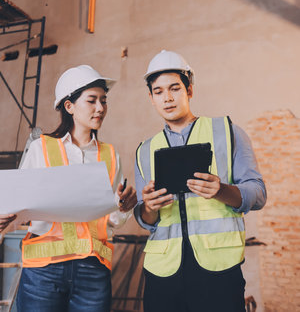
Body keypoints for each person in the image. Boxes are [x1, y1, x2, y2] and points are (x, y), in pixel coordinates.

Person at [134, 50, 267, 312]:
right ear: (151, 98)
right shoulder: (144, 150)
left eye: (175, 88)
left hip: (218, 268)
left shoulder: (228, 132)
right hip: (162, 273)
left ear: (190, 90)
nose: (168, 98)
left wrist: (221, 190)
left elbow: (258, 193)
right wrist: (149, 207)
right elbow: (144, 218)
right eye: (159, 91)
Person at [0, 64, 137, 312]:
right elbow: (17, 205)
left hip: (92, 271)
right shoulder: (41, 148)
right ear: (69, 106)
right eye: (92, 101)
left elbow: (114, 220)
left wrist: (125, 206)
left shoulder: (110, 154)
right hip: (44, 271)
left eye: (104, 101)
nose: (100, 108)